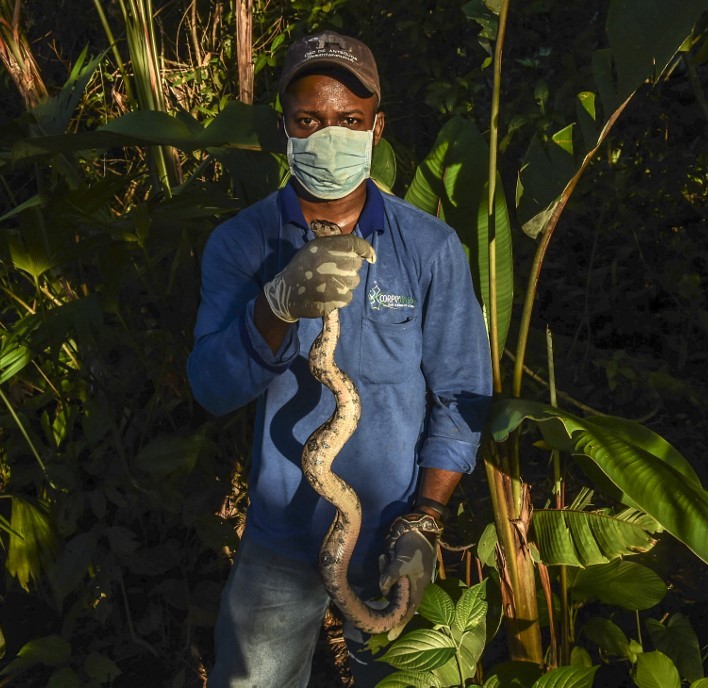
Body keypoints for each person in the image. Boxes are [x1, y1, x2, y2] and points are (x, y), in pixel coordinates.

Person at [187, 30, 492, 687]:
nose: (331, 134)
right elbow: (211, 388)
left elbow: (462, 396)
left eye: (349, 120)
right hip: (281, 535)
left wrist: (426, 521)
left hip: (392, 531)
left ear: (376, 128)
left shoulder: (430, 247)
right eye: (310, 120)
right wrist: (274, 305)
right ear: (285, 130)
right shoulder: (243, 243)